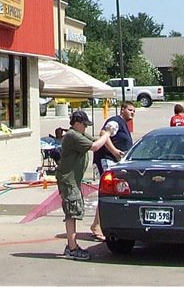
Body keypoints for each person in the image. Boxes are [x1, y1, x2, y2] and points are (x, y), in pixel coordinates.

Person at [55, 110, 111, 260]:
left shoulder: (78, 134)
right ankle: (72, 248)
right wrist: (107, 134)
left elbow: (95, 140)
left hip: (73, 180)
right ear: (77, 123)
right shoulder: (73, 136)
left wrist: (106, 136)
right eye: (84, 124)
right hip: (68, 180)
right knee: (72, 212)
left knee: (74, 211)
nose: (86, 127)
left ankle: (72, 246)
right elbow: (94, 146)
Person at [90, 101, 135, 238]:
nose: (132, 112)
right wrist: (115, 151)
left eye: (134, 111)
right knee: (107, 193)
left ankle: (98, 225)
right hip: (106, 161)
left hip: (114, 163)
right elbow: (104, 133)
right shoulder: (115, 121)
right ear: (122, 110)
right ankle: (97, 227)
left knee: (112, 193)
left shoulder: (123, 125)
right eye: (130, 110)